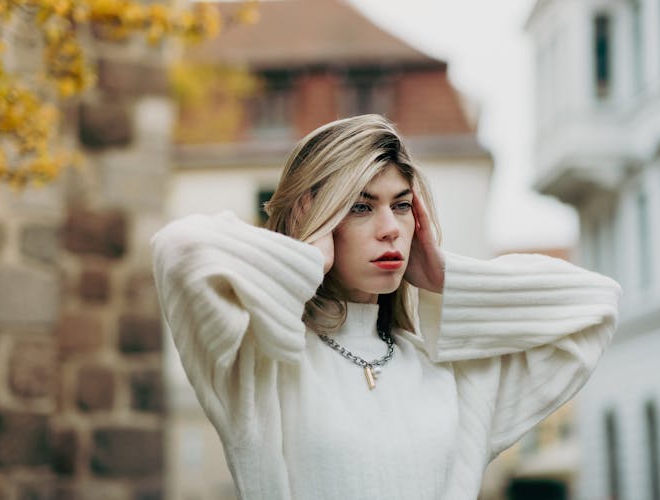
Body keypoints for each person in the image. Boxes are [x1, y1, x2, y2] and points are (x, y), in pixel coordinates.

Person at [151, 114, 621, 500]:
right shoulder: (261, 362)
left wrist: (444, 278)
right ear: (316, 218)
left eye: (400, 206)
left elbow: (596, 306)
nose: (390, 228)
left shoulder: (454, 376)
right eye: (360, 206)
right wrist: (305, 260)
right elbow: (180, 251)